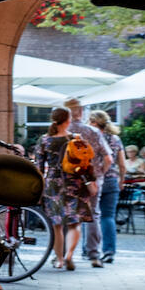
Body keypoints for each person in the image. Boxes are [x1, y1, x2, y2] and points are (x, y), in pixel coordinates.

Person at [34, 106, 97, 271]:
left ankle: (60, 260)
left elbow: (39, 168)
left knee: (56, 225)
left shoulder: (44, 140)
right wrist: (92, 181)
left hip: (53, 184)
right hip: (73, 183)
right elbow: (86, 164)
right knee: (74, 223)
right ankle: (69, 255)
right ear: (68, 120)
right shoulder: (75, 139)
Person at [84, 107, 126, 265]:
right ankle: (109, 251)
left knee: (90, 215)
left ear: (94, 122)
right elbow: (122, 164)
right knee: (108, 217)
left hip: (94, 181)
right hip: (112, 181)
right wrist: (121, 180)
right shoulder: (116, 139)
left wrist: (99, 172)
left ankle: (88, 249)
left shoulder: (90, 138)